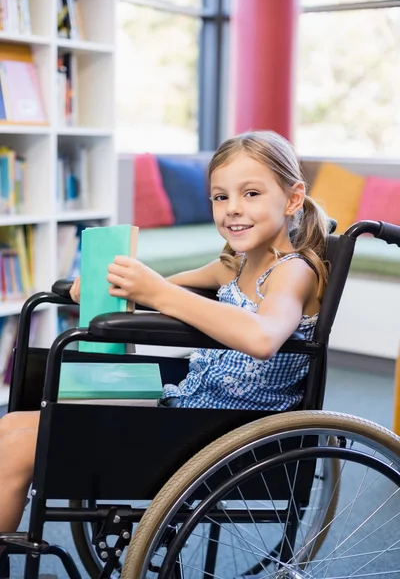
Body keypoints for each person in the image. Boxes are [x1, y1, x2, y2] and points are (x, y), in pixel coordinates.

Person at [0, 131, 330, 544]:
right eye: (220, 197)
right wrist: (108, 285)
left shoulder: (293, 271)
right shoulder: (234, 265)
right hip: (189, 411)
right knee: (11, 426)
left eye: (250, 193)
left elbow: (263, 338)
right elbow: (152, 291)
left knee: (18, 449)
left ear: (293, 198)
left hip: (225, 438)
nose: (232, 210)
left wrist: (157, 292)